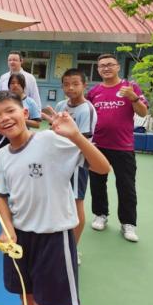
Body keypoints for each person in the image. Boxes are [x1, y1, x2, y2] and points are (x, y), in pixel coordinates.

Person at [0, 91, 109, 305]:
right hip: (20, 239)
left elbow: (102, 167)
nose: (5, 118)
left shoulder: (50, 140)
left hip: (53, 239)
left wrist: (76, 136)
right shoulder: (2, 155)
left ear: (25, 113)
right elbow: (0, 196)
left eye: (10, 111)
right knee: (27, 303)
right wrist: (7, 228)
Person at [87, 54, 148, 242]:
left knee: (126, 186)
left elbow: (143, 112)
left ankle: (128, 224)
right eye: (102, 66)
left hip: (123, 147)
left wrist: (133, 98)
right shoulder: (94, 92)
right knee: (97, 183)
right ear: (98, 69)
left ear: (118, 67)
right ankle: (100, 215)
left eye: (110, 64)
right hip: (97, 146)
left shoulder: (130, 87)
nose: (106, 68)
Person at [45, 68, 97, 258]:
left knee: (76, 203)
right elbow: (55, 131)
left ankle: (72, 250)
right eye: (66, 84)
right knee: (59, 202)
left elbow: (82, 141)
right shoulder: (61, 105)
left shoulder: (87, 109)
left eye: (75, 84)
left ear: (84, 85)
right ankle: (59, 243)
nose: (70, 88)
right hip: (58, 161)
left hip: (77, 163)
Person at [0, 51, 42, 172]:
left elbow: (35, 98)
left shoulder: (30, 78)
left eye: (15, 60)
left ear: (21, 61)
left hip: (19, 117)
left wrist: (32, 115)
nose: (12, 62)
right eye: (10, 60)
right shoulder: (3, 77)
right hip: (3, 116)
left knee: (18, 145)